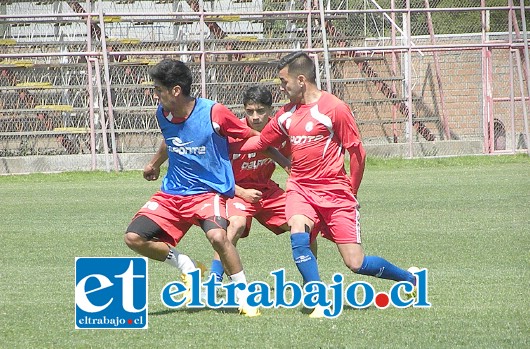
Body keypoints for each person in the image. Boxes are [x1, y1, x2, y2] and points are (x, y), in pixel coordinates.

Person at [230, 52, 418, 318]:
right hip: (300, 189)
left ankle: (407, 279)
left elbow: (357, 154)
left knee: (356, 262)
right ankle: (317, 299)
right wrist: (221, 144)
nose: (281, 88)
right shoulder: (285, 114)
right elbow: (261, 143)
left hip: (335, 193)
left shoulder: (334, 109)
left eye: (284, 82)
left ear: (301, 80)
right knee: (298, 233)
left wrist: (352, 192)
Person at [123, 59, 260, 317]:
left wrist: (282, 154)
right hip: (172, 193)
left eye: (158, 89)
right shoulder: (162, 113)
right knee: (133, 238)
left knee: (219, 237)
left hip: (207, 193)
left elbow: (248, 134)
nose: (155, 94)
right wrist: (154, 164)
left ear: (176, 90)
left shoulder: (214, 113)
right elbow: (170, 140)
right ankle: (187, 265)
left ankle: (245, 297)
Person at [209, 85, 317, 283]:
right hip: (237, 190)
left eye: (260, 111)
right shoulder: (231, 133)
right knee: (235, 225)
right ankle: (214, 278)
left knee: (305, 224)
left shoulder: (281, 134)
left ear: (270, 110)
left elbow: (291, 166)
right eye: (250, 111)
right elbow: (214, 174)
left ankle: (311, 283)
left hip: (267, 190)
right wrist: (241, 192)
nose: (255, 116)